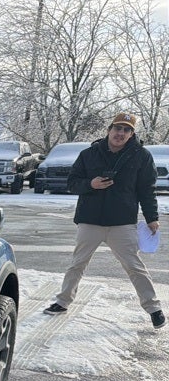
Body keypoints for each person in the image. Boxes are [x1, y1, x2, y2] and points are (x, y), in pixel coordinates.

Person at [44, 112, 164, 329]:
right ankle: (62, 302)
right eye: (118, 128)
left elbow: (147, 190)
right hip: (90, 220)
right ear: (109, 130)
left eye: (127, 130)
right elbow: (72, 182)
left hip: (122, 222)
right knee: (77, 263)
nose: (121, 133)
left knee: (134, 266)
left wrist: (151, 218)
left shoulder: (141, 156)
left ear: (131, 134)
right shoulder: (89, 154)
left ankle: (154, 308)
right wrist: (91, 184)